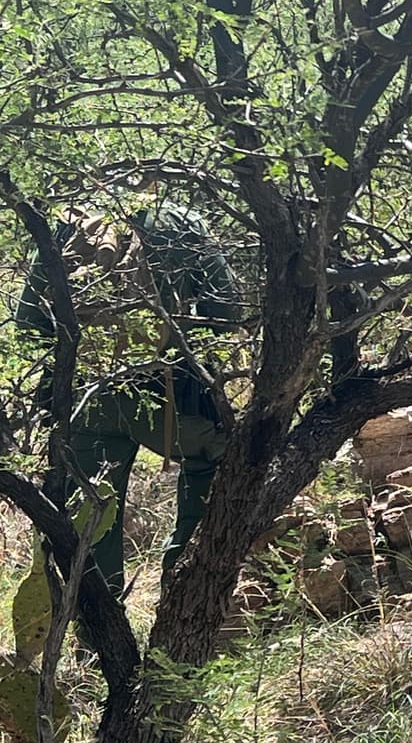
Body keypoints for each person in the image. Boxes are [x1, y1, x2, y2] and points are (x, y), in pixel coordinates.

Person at [15, 198, 243, 597]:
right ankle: (185, 597)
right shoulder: (181, 217)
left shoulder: (64, 225)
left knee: (89, 517)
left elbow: (28, 324)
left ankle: (99, 636)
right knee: (214, 461)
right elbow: (225, 311)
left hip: (86, 397)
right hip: (171, 395)